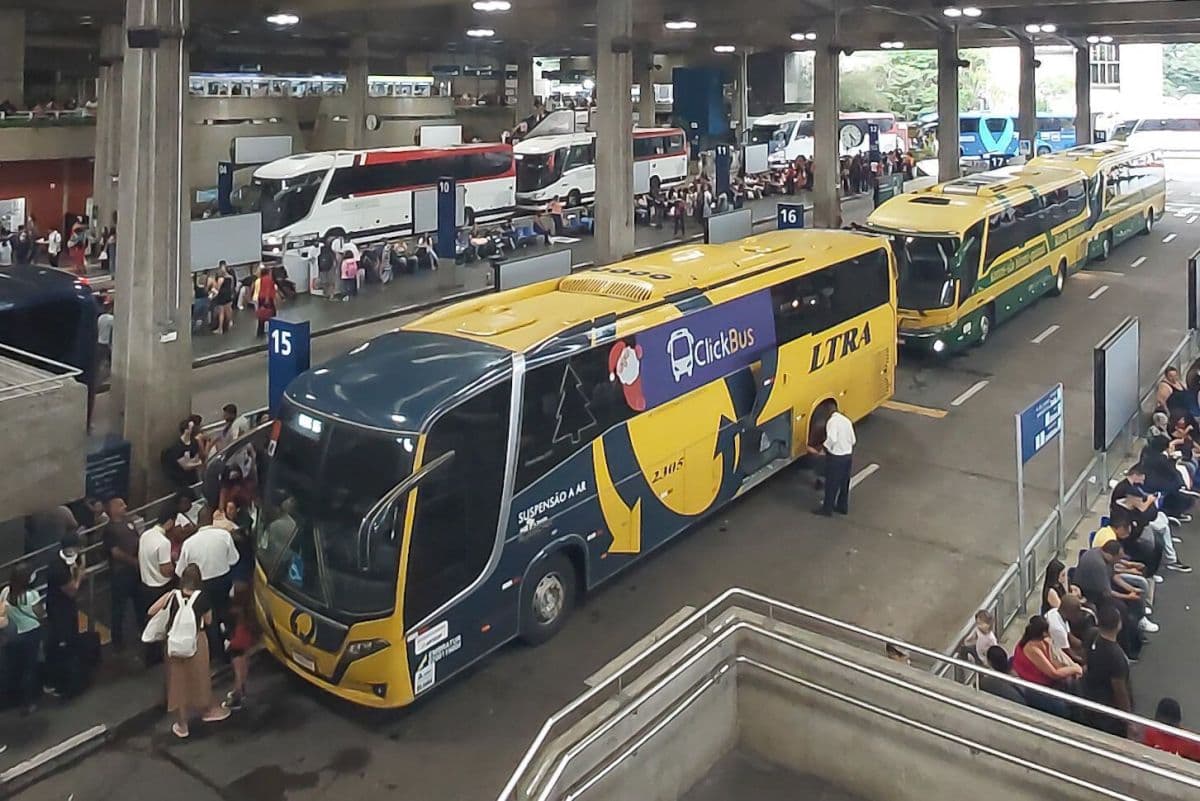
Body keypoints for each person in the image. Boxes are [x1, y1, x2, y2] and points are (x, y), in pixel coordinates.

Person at [147, 565, 230, 738]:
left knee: (178, 683)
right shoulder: (203, 599)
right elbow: (208, 621)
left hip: (174, 643)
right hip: (196, 641)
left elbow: (151, 610)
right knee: (199, 678)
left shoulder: (172, 595)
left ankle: (182, 725)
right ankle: (206, 711)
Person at [177, 523, 240, 662]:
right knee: (225, 610)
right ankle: (233, 645)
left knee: (209, 618)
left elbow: (180, 571)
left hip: (202, 584)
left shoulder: (188, 543)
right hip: (223, 581)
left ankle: (216, 652)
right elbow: (234, 559)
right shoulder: (224, 535)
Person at [1112, 463, 1190, 573]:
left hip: (1139, 520)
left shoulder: (1131, 487)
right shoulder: (1127, 489)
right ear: (1136, 475)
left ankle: (1170, 557)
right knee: (1157, 539)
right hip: (1134, 524)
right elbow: (1142, 508)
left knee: (1162, 522)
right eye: (1143, 477)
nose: (1144, 481)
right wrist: (1150, 500)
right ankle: (1160, 566)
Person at [1076, 540, 1150, 657]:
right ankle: (1127, 649)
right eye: (1118, 558)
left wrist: (1131, 589)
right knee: (1122, 610)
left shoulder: (1103, 556)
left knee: (1134, 601)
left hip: (1102, 589)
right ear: (1110, 555)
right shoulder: (1098, 565)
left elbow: (1114, 576)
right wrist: (1128, 596)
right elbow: (1108, 592)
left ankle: (1136, 634)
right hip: (1092, 595)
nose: (1119, 561)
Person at [44, 532, 85, 696]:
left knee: (69, 639)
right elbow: (72, 590)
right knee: (60, 644)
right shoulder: (57, 568)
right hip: (59, 609)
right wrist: (79, 576)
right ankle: (57, 681)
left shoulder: (70, 559)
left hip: (67, 608)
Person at [1082, 604, 1133, 737]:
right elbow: (1120, 691)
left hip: (1089, 695)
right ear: (1119, 625)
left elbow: (1085, 659)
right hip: (1108, 709)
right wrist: (1128, 720)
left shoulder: (1091, 634)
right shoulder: (1117, 657)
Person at [1, 562, 44, 714]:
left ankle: (12, 698)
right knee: (29, 668)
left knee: (15, 666)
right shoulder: (31, 595)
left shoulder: (6, 591)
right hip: (30, 633)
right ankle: (28, 702)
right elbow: (40, 614)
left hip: (12, 635)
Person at [103, 497, 142, 653]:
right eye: (120, 505)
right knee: (119, 607)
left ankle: (142, 630)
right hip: (121, 573)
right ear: (112, 509)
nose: (125, 506)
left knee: (139, 602)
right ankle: (117, 641)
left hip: (134, 572)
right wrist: (133, 561)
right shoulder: (110, 529)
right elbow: (115, 552)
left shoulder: (129, 522)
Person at [138, 511, 177, 666]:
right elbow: (165, 570)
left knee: (149, 622)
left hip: (145, 584)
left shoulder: (145, 535)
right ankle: (156, 656)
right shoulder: (164, 543)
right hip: (160, 587)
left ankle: (149, 653)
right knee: (161, 622)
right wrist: (175, 566)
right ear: (168, 522)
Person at [1010, 615, 1083, 692]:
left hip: (1052, 676)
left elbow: (1060, 656)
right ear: (1044, 633)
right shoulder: (1031, 649)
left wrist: (1073, 665)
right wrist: (1075, 669)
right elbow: (1054, 674)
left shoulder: (1045, 641)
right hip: (1037, 684)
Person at [811, 401, 855, 516]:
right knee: (844, 484)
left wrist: (824, 449)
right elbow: (853, 439)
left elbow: (832, 439)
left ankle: (827, 509)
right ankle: (842, 506)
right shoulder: (846, 420)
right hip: (848, 456)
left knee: (831, 485)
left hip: (836, 458)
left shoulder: (832, 422)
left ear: (828, 412)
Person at [223, 584, 261, 711]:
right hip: (246, 638)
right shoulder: (250, 610)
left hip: (237, 641)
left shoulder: (234, 612)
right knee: (244, 661)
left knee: (238, 667)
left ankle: (237, 696)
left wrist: (229, 643)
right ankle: (241, 689)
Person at [162, 419, 203, 488]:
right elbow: (186, 467)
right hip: (181, 481)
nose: (195, 430)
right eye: (192, 428)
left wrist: (192, 462)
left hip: (193, 478)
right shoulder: (177, 447)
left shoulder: (194, 443)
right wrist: (195, 463)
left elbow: (197, 459)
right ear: (186, 430)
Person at [253, 265, 277, 336]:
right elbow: (268, 289)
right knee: (272, 314)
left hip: (261, 297)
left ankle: (260, 331)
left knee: (262, 314)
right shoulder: (269, 279)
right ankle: (273, 329)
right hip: (267, 298)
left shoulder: (262, 279)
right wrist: (267, 299)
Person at [212, 262, 235, 334]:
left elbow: (217, 289)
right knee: (228, 309)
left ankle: (220, 328)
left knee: (221, 312)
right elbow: (231, 286)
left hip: (222, 296)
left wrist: (213, 294)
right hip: (228, 295)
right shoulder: (230, 277)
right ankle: (229, 323)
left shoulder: (221, 279)